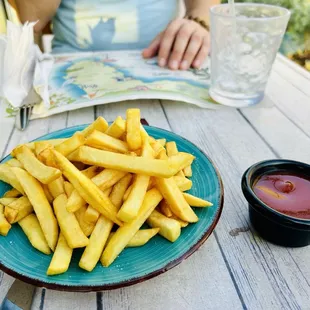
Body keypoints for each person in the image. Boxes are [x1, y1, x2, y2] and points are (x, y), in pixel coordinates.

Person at [15, 0, 219, 70]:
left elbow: (203, 7)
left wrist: (199, 22)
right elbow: (33, 21)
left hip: (168, 62)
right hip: (68, 73)